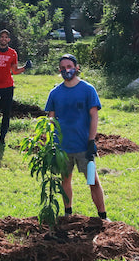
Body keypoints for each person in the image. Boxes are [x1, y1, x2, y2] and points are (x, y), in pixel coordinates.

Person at [44, 54, 107, 219]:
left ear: (77, 68)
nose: (67, 70)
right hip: (62, 148)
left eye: (70, 67)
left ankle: (102, 216)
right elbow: (51, 119)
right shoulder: (55, 93)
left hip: (84, 147)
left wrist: (91, 141)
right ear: (59, 70)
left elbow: (94, 116)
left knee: (93, 181)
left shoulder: (87, 90)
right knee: (65, 180)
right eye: (63, 68)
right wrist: (50, 143)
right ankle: (68, 213)